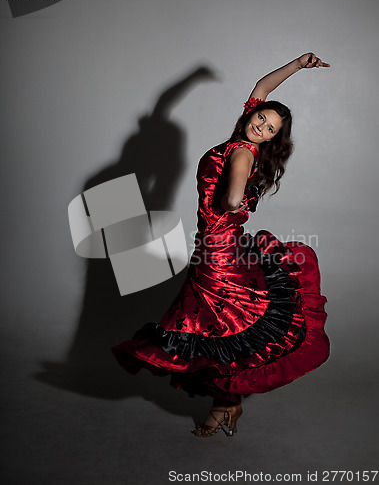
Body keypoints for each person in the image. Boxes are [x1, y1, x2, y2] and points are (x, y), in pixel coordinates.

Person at [112, 53, 331, 437]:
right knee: (218, 325)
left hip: (217, 251)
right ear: (252, 114)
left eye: (270, 129)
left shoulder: (243, 153)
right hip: (217, 245)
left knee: (221, 327)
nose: (261, 126)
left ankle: (227, 405)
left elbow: (231, 201)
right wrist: (296, 65)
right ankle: (227, 405)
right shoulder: (243, 140)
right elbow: (263, 88)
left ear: (272, 139)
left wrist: (238, 200)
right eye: (261, 117)